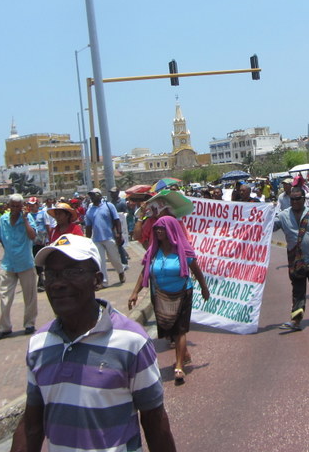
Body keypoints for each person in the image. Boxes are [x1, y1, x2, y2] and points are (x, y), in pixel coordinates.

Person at [14, 234, 176, 452]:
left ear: (97, 280)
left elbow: (154, 421)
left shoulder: (131, 341)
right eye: (51, 274)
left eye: (73, 272)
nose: (58, 283)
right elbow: (32, 425)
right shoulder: (39, 345)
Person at [128, 216, 210, 384]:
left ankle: (179, 366)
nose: (158, 231)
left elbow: (196, 270)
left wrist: (204, 288)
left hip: (182, 293)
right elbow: (144, 272)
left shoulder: (183, 250)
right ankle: (184, 354)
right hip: (160, 294)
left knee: (180, 330)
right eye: (156, 228)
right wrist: (135, 292)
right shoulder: (153, 251)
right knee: (169, 329)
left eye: (162, 228)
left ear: (171, 230)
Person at [273, 188, 309, 331]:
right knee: (298, 289)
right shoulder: (283, 216)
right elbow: (268, 226)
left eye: (297, 198)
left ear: (303, 199)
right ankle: (296, 320)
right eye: (292, 199)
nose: (294, 201)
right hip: (295, 261)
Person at [0, 194, 38, 340]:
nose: (15, 208)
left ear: (22, 206)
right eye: (12, 205)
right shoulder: (3, 219)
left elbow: (33, 236)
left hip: (25, 262)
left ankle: (29, 323)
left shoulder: (27, 219)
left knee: (30, 296)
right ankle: (5, 327)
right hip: (8, 263)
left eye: (18, 206)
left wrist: (26, 219)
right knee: (5, 297)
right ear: (9, 206)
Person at [84, 188, 126, 287]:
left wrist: (119, 234)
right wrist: (87, 240)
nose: (92, 197)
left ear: (99, 195)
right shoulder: (89, 210)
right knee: (100, 261)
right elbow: (88, 227)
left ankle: (120, 271)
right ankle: (104, 282)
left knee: (114, 258)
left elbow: (117, 220)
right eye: (91, 195)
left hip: (109, 237)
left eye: (93, 195)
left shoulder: (108, 206)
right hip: (97, 239)